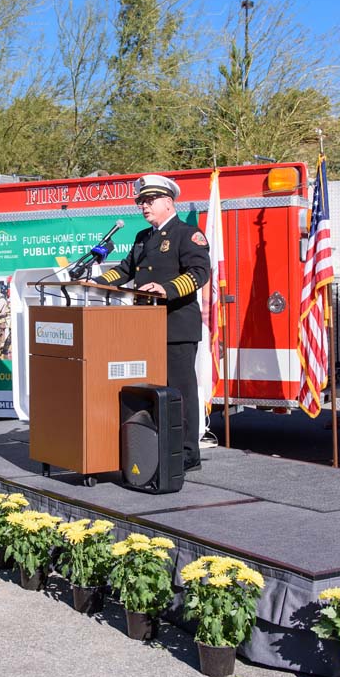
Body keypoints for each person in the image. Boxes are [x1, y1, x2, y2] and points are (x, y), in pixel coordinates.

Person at [93, 173, 211, 471]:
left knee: (180, 391)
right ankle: (158, 446)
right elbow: (124, 271)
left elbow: (199, 273)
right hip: (145, 327)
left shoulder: (188, 233)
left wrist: (166, 290)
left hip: (176, 326)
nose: (143, 206)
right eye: (141, 202)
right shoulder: (143, 238)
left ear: (169, 203)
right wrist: (94, 282)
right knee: (151, 389)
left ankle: (187, 453)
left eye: (150, 201)